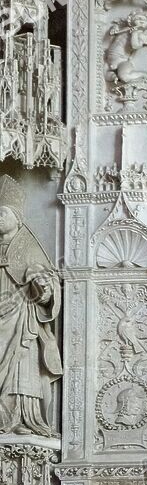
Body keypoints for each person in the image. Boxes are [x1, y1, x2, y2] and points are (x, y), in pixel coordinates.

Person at [0, 176, 62, 438]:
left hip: (21, 319)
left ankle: (21, 417)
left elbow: (48, 286)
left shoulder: (31, 250)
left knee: (23, 362)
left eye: (3, 212)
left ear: (18, 217)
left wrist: (44, 289)